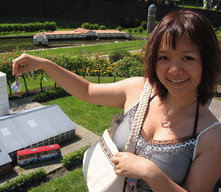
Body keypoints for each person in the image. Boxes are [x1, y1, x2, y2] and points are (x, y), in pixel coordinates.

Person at [12, 9, 221, 192]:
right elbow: (87, 89)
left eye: (188, 58)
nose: (175, 70)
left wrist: (151, 174)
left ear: (207, 62)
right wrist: (45, 65)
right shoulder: (139, 89)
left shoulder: (211, 136)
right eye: (164, 57)